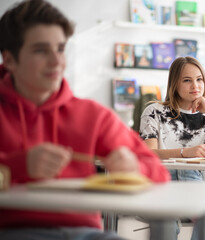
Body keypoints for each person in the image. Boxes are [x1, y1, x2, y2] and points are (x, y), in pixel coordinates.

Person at [0, 0, 170, 239]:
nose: (56, 61)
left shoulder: (92, 115)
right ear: (9, 60)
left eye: (60, 49)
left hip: (85, 233)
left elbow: (159, 173)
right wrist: (20, 165)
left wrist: (135, 168)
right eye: (41, 50)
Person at [139, 56, 205, 240]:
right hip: (161, 183)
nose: (195, 86)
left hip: (195, 183)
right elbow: (148, 154)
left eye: (199, 79)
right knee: (166, 228)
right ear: (174, 84)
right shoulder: (154, 111)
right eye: (187, 80)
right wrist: (185, 153)